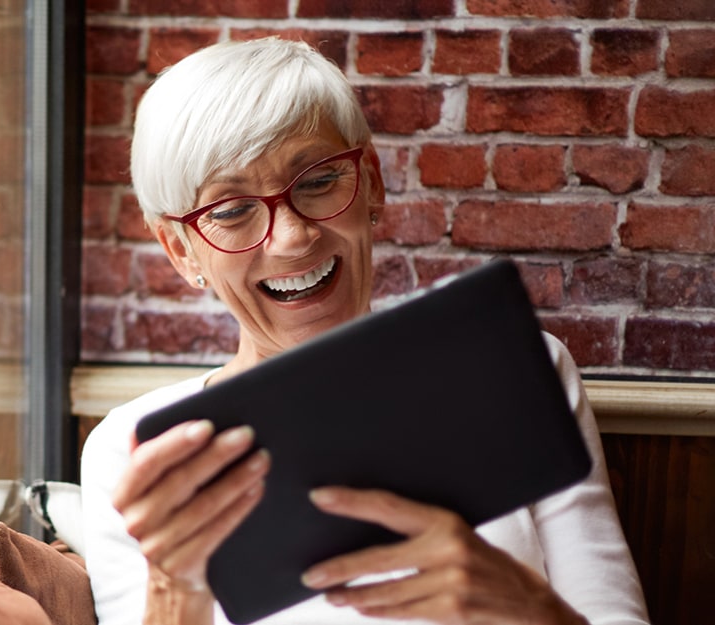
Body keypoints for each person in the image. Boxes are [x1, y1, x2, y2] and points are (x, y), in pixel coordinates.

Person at [80, 38, 649, 625]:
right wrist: (176, 592)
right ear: (180, 249)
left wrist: (526, 608)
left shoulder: (518, 371)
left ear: (371, 183)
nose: (293, 238)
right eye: (230, 211)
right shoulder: (132, 457)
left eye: (319, 181)